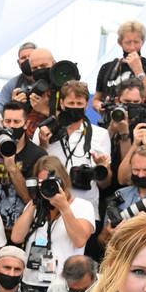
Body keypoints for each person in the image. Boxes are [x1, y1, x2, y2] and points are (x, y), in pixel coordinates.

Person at [10, 156, 95, 289]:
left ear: (62, 182)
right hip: (31, 282)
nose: (45, 186)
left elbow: (79, 240)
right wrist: (36, 200)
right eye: (41, 182)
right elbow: (16, 237)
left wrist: (64, 207)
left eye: (48, 183)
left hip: (63, 285)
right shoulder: (35, 206)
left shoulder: (82, 206)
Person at [35, 80, 111, 212]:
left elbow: (105, 183)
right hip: (51, 205)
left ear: (86, 105)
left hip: (86, 208)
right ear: (62, 104)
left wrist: (101, 168)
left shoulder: (101, 134)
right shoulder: (43, 131)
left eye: (79, 103)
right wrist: (43, 145)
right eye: (71, 103)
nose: (75, 107)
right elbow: (36, 169)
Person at [0, 100, 46, 232]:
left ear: (26, 124)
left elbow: (30, 199)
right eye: (8, 121)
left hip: (24, 227)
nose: (11, 126)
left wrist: (12, 167)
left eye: (16, 122)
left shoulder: (37, 155)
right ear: (2, 123)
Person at [93, 20, 146, 110]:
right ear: (120, 43)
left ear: (143, 42)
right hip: (113, 119)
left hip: (141, 121)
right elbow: (96, 99)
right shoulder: (107, 68)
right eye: (128, 42)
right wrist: (99, 106)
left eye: (136, 42)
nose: (132, 47)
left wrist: (139, 70)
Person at [0, 42, 37, 115]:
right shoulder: (12, 84)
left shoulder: (49, 80)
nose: (27, 60)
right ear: (18, 63)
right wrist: (13, 105)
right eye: (23, 58)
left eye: (30, 56)